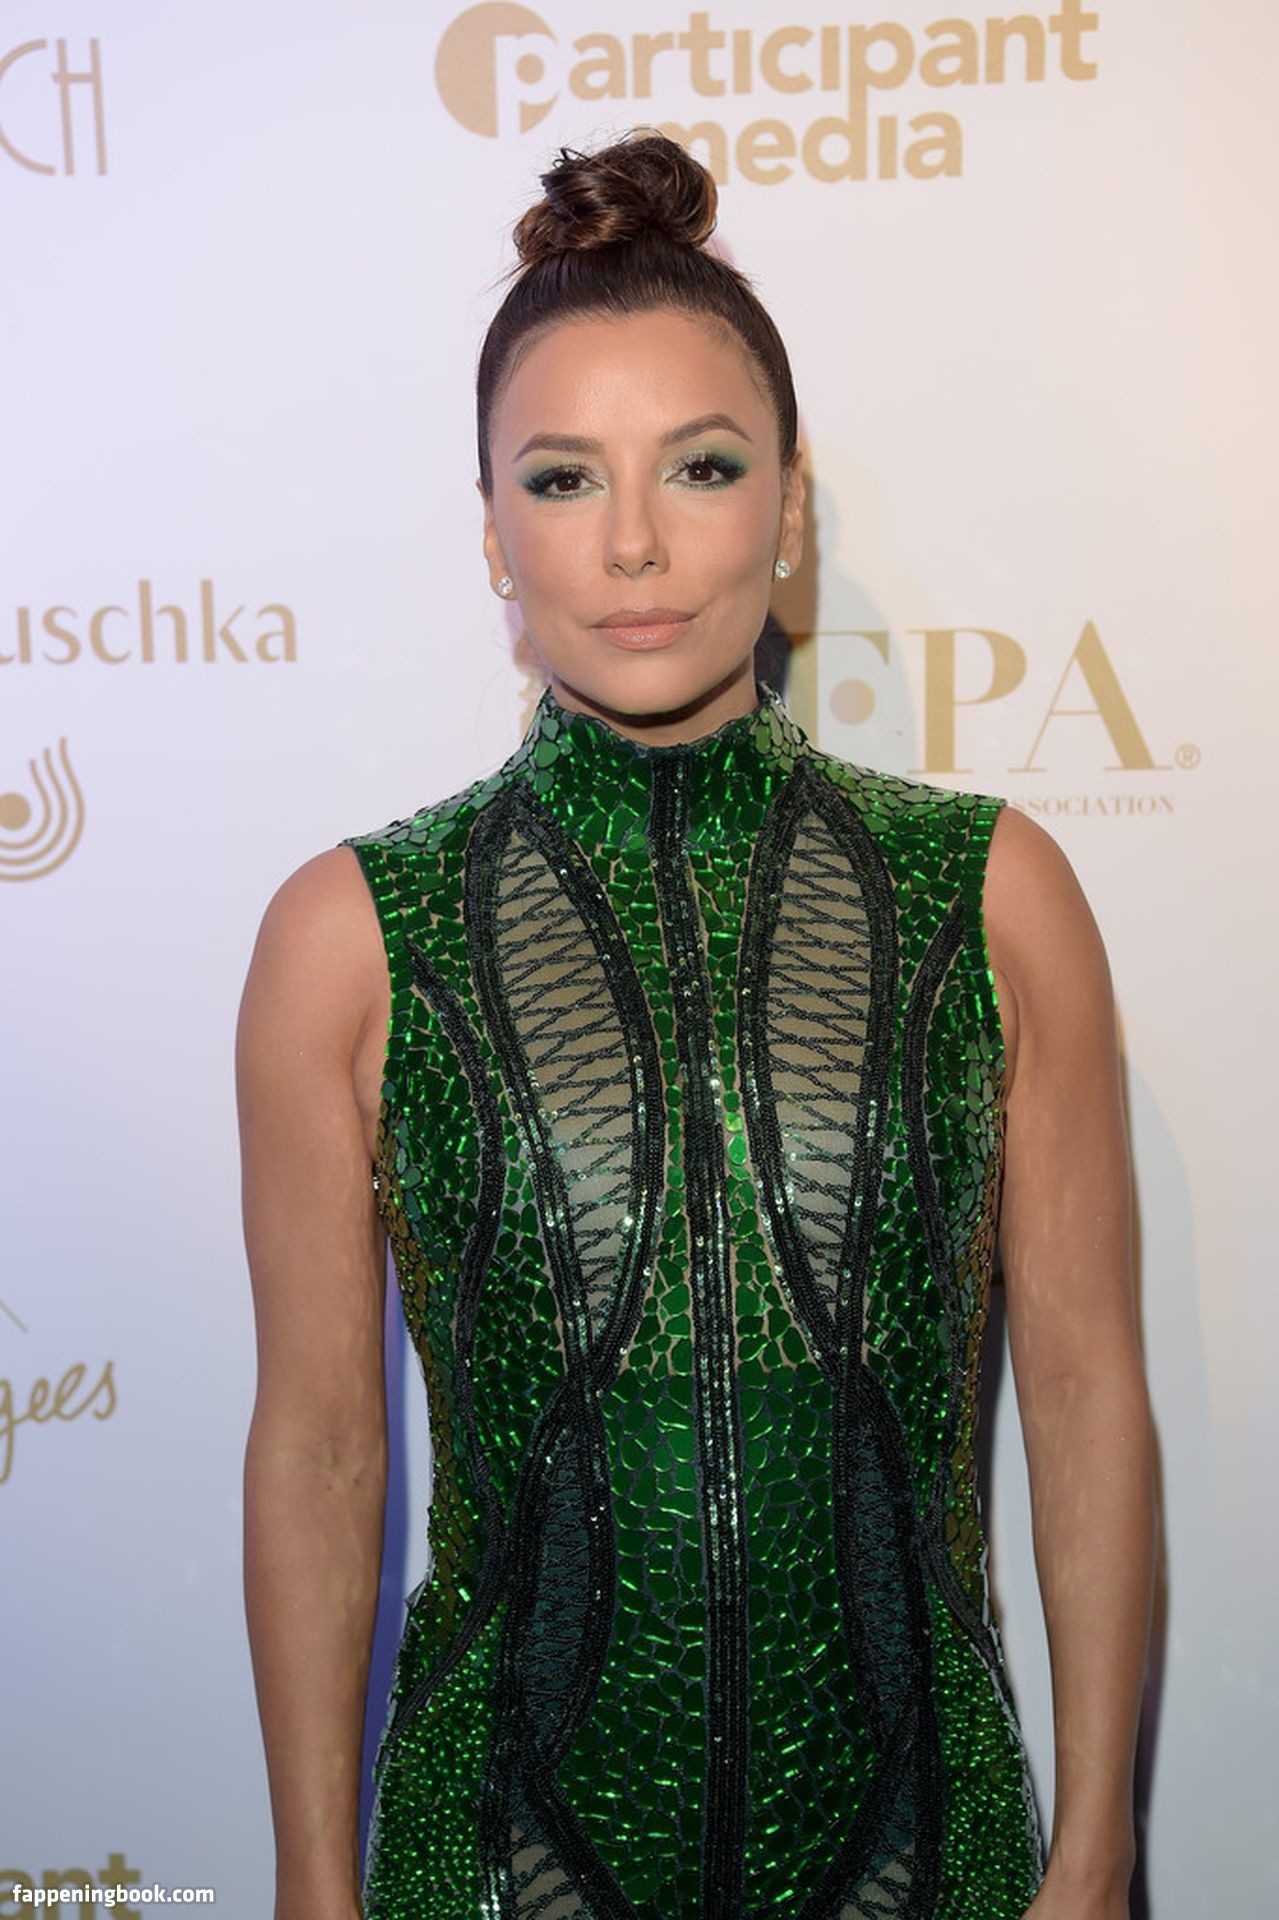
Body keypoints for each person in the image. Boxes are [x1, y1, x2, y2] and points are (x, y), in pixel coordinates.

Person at [238, 129, 1156, 1920]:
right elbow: (323, 1449)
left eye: (705, 466)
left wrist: (1097, 1855)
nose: (636, 541)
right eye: (564, 479)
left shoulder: (991, 896)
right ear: (491, 533)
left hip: (933, 1858)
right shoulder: (350, 939)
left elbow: (1087, 1394)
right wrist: (310, 1888)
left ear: (790, 510)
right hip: (490, 1866)